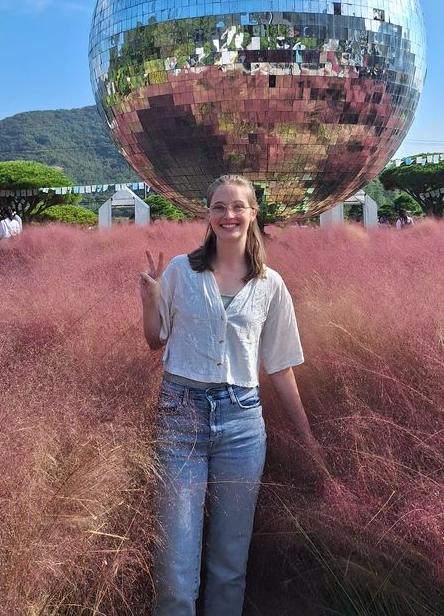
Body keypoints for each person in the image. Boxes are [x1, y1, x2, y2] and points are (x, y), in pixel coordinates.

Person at [139, 174, 321, 616]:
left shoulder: (271, 285)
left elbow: (279, 365)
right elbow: (155, 340)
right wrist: (149, 299)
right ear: (207, 214)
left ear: (253, 214)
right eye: (219, 207)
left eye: (238, 206)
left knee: (229, 564)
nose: (229, 215)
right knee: (176, 571)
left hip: (242, 425)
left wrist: (306, 437)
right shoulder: (182, 271)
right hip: (180, 418)